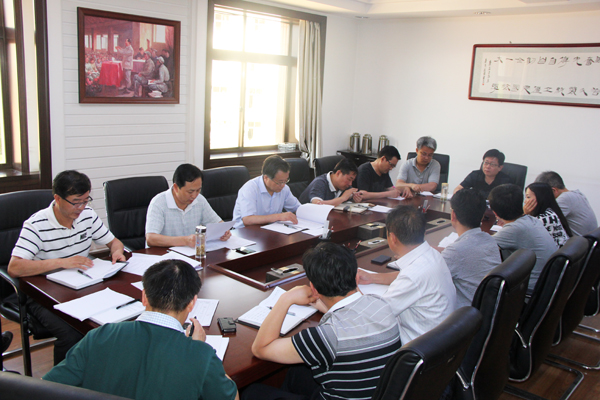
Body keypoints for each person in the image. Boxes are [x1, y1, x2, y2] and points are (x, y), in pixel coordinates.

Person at [43, 259, 239, 400]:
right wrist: (200, 348)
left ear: (144, 297)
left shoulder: (99, 335)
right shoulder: (200, 355)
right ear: (192, 303)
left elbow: (46, 387)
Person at [245, 242, 401, 400]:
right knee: (295, 373)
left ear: (313, 288)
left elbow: (261, 349)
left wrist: (286, 299)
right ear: (356, 276)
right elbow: (353, 312)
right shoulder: (381, 305)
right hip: (375, 393)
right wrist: (323, 303)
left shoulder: (326, 336)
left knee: (252, 392)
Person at [8, 170, 126, 365]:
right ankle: (61, 382)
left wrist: (117, 251)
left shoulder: (87, 215)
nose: (81, 207)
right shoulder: (36, 224)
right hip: (43, 292)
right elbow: (15, 267)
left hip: (82, 285)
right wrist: (62, 262)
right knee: (72, 333)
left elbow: (114, 242)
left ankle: (98, 371)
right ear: (57, 198)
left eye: (86, 201)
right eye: (75, 202)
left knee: (115, 318)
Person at [356, 205, 456, 344]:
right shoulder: (432, 255)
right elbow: (408, 276)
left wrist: (352, 288)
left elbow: (373, 315)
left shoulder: (413, 275)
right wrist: (373, 277)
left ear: (392, 238)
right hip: (440, 341)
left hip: (417, 348)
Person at [488, 184, 558, 291]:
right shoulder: (532, 219)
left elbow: (480, 248)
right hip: (548, 285)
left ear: (495, 213)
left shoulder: (514, 229)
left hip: (529, 291)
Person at [442, 189, 501, 308]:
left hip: (464, 316)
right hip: (488, 312)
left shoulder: (456, 252)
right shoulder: (489, 240)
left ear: (453, 215)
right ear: (482, 216)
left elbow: (425, 279)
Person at [146, 164, 230, 248]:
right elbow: (151, 238)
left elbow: (218, 223)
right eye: (190, 192)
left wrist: (225, 232)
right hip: (164, 253)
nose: (194, 195)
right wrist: (185, 241)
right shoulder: (158, 203)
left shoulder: (200, 200)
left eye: (198, 190)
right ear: (176, 187)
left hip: (191, 253)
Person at [232, 155, 301, 229]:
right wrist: (278, 216)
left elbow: (297, 208)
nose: (283, 185)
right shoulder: (250, 189)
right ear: (266, 178)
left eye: (285, 181)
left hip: (271, 229)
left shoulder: (284, 189)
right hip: (244, 231)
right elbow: (247, 220)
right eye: (279, 182)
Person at [535, 171, 598, 236]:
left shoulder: (565, 198)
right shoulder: (577, 194)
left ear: (553, 190)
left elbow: (542, 223)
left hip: (577, 241)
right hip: (586, 241)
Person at [524, 182, 572, 247]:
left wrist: (525, 215)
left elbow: (522, 235)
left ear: (540, 198)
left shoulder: (542, 219)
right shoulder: (551, 212)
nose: (525, 201)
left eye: (528, 197)